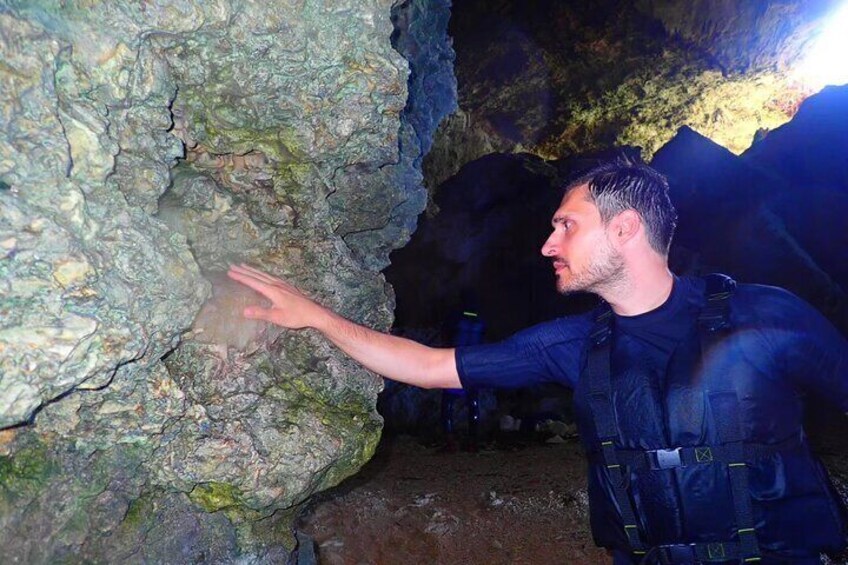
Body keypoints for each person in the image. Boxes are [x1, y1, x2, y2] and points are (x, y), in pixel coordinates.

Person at [227, 158, 848, 564]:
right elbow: (429, 366)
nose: (549, 244)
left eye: (566, 225)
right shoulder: (571, 345)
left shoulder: (765, 316)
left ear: (625, 229)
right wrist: (318, 316)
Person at [441, 301, 484, 452]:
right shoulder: (479, 321)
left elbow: (447, 338)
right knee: (472, 405)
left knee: (448, 406)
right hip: (472, 367)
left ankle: (450, 440)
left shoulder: (457, 319)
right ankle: (472, 440)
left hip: (455, 365)